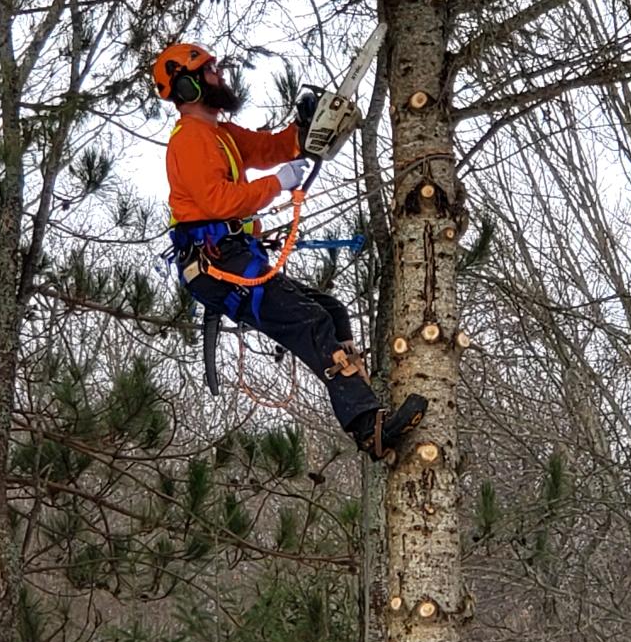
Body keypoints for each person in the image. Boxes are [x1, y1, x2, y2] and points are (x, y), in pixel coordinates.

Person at [153, 41, 427, 460]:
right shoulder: (189, 139)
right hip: (216, 263)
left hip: (236, 257)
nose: (219, 77)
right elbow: (216, 201)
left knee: (331, 311)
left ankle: (366, 402)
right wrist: (277, 184)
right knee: (310, 321)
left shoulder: (219, 134)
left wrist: (303, 132)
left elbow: (267, 148)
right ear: (187, 86)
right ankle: (367, 427)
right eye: (209, 72)